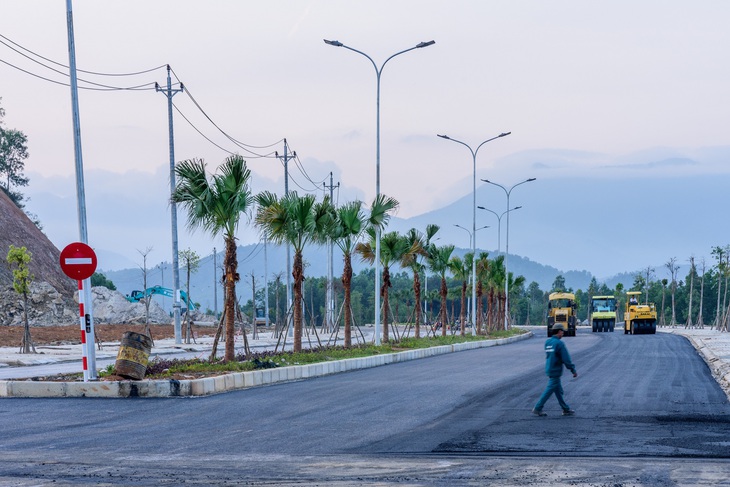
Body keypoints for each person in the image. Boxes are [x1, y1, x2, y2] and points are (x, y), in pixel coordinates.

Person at [532, 323, 577, 417]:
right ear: (559, 331)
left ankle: (565, 409)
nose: (563, 334)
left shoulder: (548, 342)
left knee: (557, 390)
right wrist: (572, 370)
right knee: (549, 390)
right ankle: (538, 408)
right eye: (562, 332)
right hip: (556, 370)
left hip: (549, 368)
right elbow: (566, 359)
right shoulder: (559, 344)